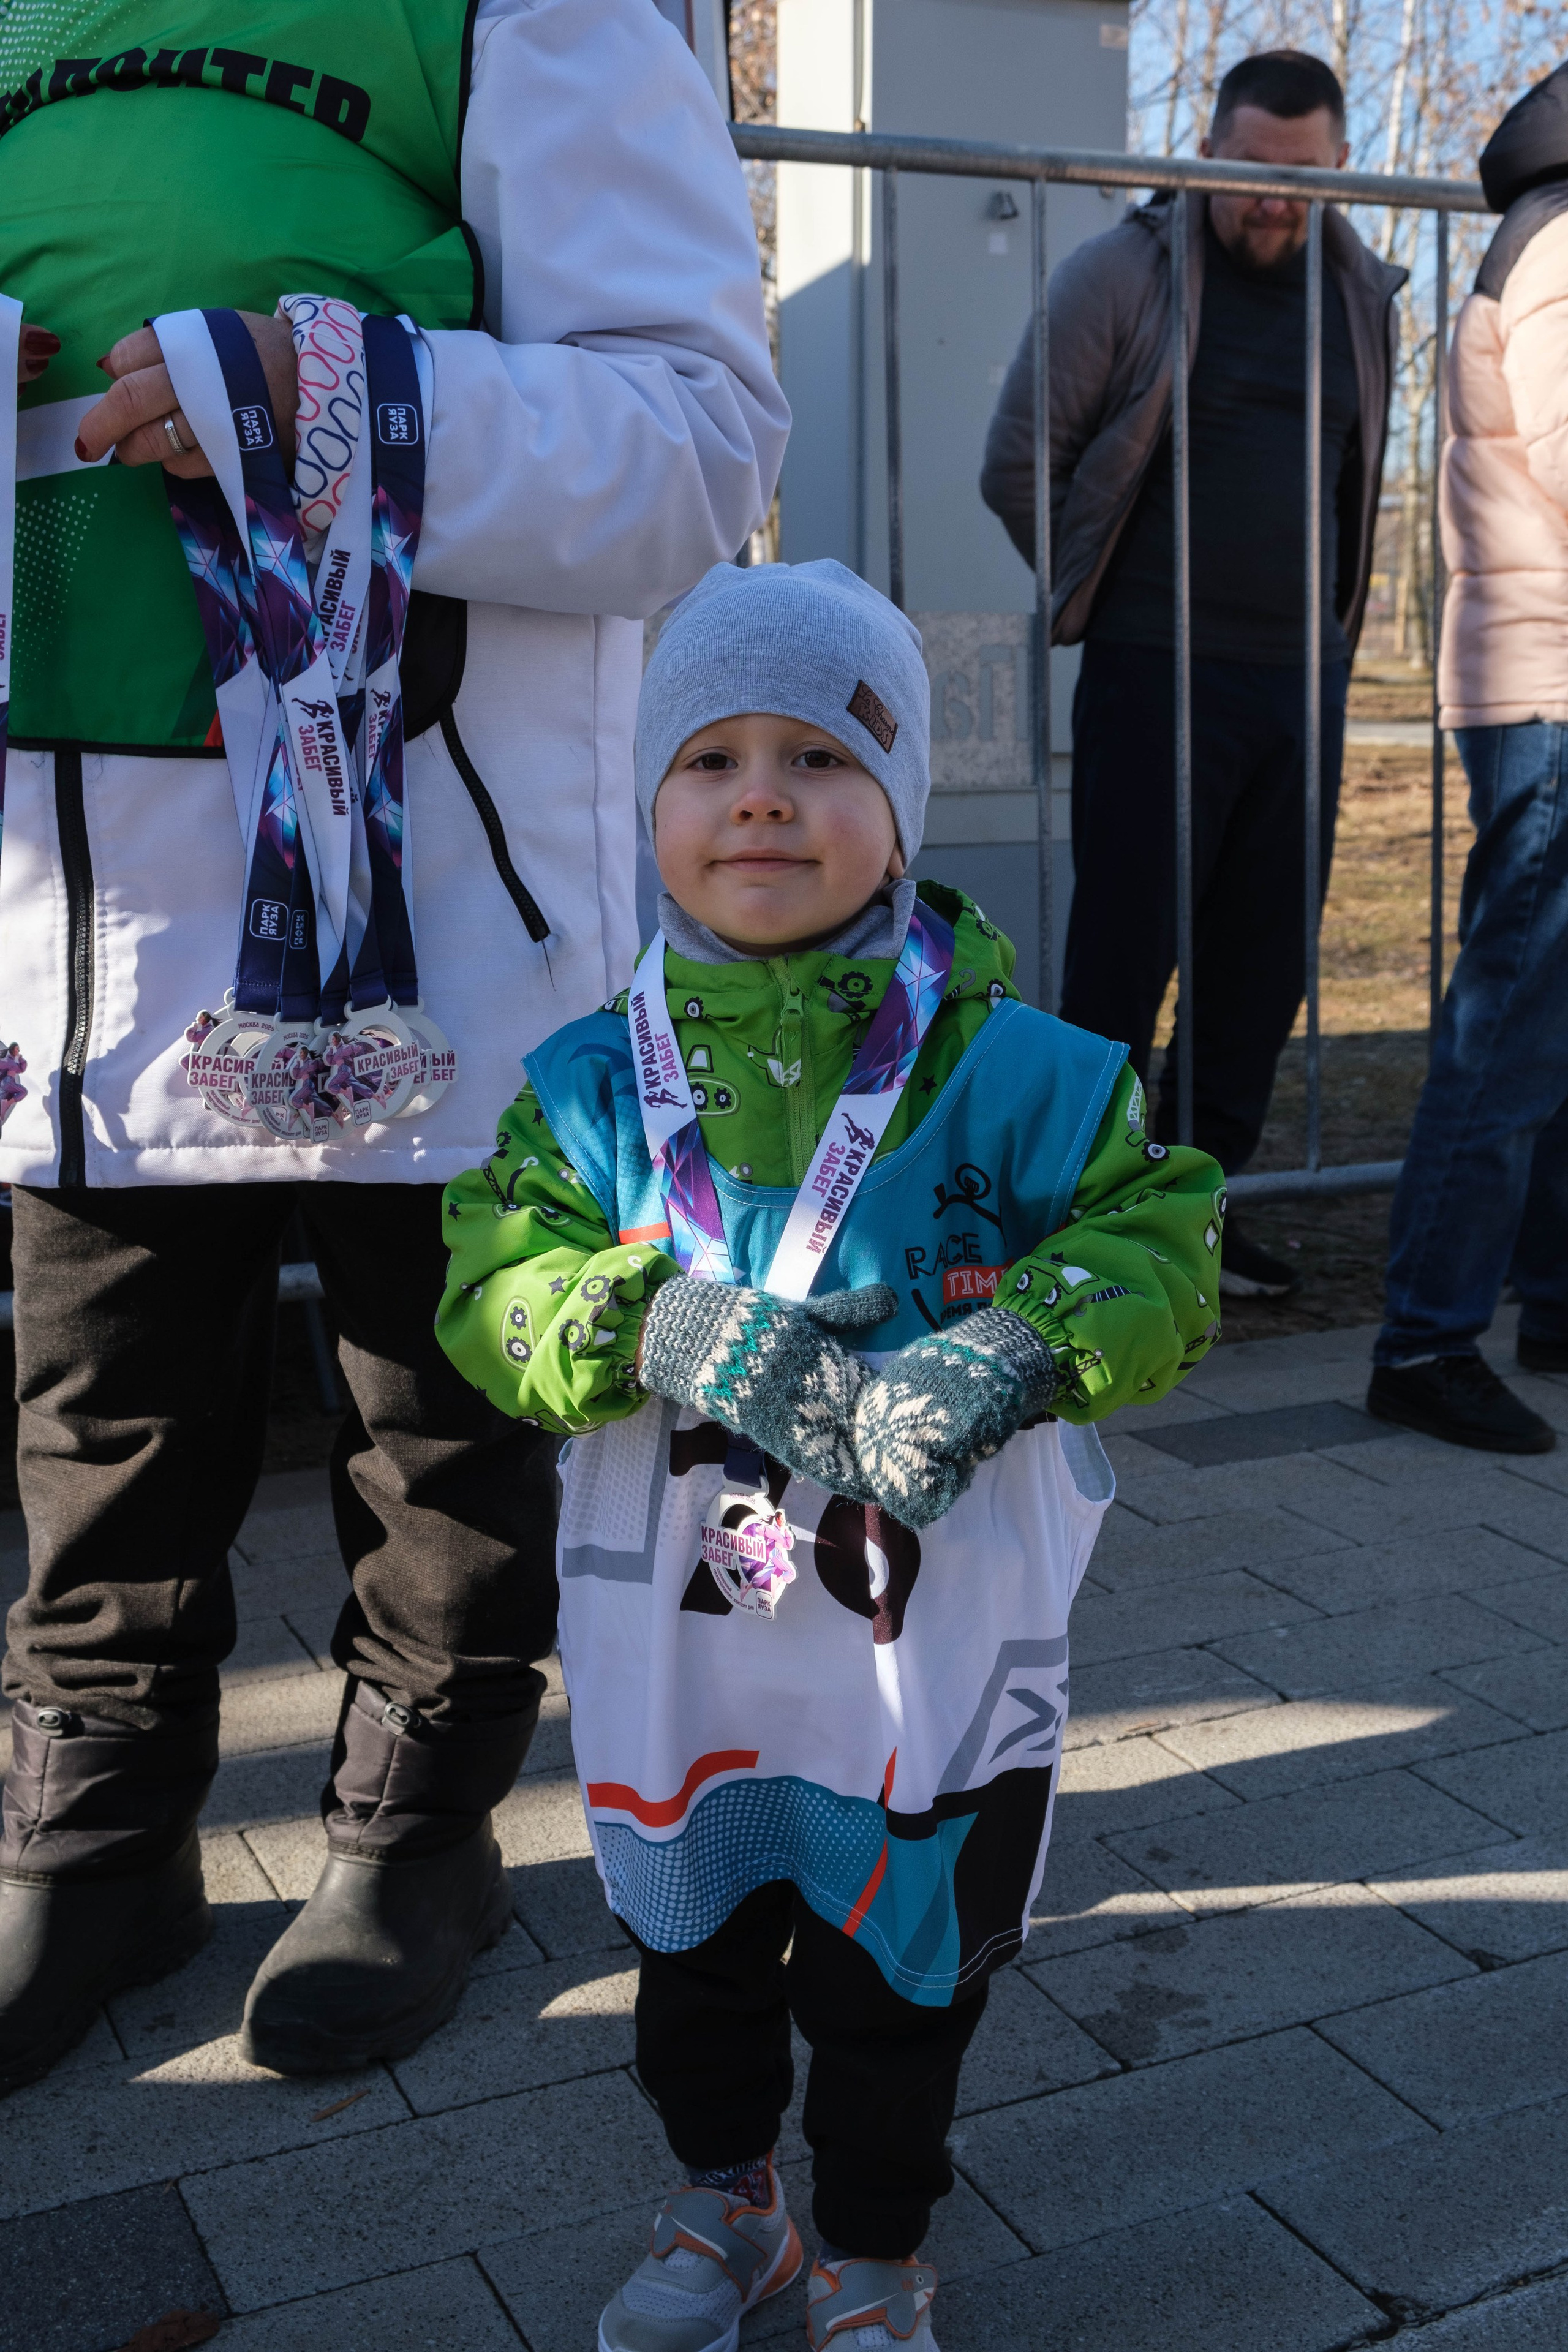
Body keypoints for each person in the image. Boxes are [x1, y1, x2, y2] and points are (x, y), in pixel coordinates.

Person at [0, 0, 787, 2097]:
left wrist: (317, 395)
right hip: (67, 894)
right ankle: (95, 1839)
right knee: (95, 1395)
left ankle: (421, 1829)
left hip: (414, 888)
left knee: (431, 1398)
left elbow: (698, 440)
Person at [437, 560, 1223, 2351]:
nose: (763, 795)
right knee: (694, 1961)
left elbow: (1163, 1238)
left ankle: (876, 2245)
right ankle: (730, 2204)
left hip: (915, 1658)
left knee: (903, 1975)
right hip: (687, 1657)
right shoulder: (582, 1084)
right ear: (652, 810)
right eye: (708, 759)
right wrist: (646, 1320)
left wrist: (1024, 1343)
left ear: (903, 804)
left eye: (819, 755)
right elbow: (490, 1275)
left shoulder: (1032, 1076)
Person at [981, 50, 1404, 1298]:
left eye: (1302, 179)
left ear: (1336, 169)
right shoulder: (1125, 273)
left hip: (1298, 684)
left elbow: (1350, 476)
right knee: (1121, 958)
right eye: (1248, 171)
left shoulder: (1360, 293)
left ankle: (1196, 1221)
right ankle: (1074, 1224)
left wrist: (1329, 639)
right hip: (1150, 672)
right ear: (1203, 151)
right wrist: (1098, 595)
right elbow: (1020, 459)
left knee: (1257, 969)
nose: (1272, 200)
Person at [1367, 67, 1568, 1455]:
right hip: (1550, 685)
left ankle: (1549, 1300)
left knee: (1545, 1021)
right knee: (1505, 1022)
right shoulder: (1560, 244)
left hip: (1542, 679)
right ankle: (1424, 1341)